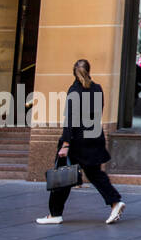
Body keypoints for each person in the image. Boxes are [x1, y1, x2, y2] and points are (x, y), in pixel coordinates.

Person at [37, 60, 124, 226]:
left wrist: (65, 145)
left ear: (73, 72)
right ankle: (115, 202)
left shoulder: (74, 90)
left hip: (76, 141)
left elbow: (70, 120)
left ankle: (54, 214)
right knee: (95, 175)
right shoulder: (97, 88)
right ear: (89, 70)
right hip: (94, 137)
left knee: (62, 177)